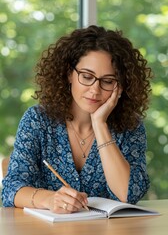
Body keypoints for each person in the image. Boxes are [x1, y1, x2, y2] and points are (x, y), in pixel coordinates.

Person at [2, 25, 152, 214]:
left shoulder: (131, 126)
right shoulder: (38, 120)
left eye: (107, 81)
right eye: (87, 77)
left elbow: (128, 195)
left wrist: (100, 124)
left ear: (120, 86)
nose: (95, 90)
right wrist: (50, 199)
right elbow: (11, 190)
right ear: (69, 74)